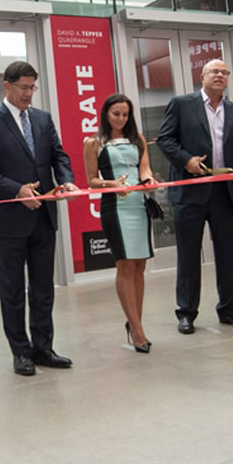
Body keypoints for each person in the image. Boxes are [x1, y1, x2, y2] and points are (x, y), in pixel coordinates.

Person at [0, 61, 78, 376]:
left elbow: (58, 154)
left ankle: (43, 348)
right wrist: (17, 190)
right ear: (7, 86)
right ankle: (20, 352)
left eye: (33, 87)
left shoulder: (43, 119)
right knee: (13, 289)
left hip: (44, 216)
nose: (29, 94)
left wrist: (66, 179)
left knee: (43, 286)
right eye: (23, 87)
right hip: (9, 220)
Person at [157, 58, 233, 335]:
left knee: (228, 253)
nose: (220, 76)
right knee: (188, 255)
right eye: (215, 71)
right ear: (202, 76)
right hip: (190, 190)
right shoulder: (181, 104)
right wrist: (186, 160)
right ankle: (186, 312)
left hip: (225, 192)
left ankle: (228, 308)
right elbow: (165, 139)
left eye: (225, 72)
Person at [84, 94, 156, 353]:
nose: (121, 119)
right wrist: (111, 184)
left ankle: (135, 320)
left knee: (139, 265)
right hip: (115, 208)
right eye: (116, 114)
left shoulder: (138, 140)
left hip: (138, 205)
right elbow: (92, 180)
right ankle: (137, 331)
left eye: (125, 114)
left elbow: (144, 169)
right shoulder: (94, 143)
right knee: (125, 265)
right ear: (105, 114)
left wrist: (148, 181)